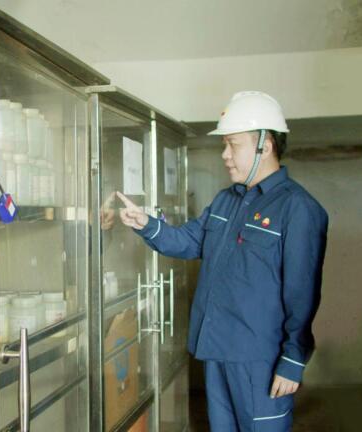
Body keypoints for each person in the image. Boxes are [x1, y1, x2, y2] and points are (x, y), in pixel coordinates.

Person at [117, 91, 328, 431]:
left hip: (259, 359)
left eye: (233, 145)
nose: (225, 155)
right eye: (224, 145)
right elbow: (189, 241)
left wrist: (292, 359)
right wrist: (146, 224)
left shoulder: (297, 208)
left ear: (264, 146)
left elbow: (302, 292)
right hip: (216, 349)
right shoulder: (225, 201)